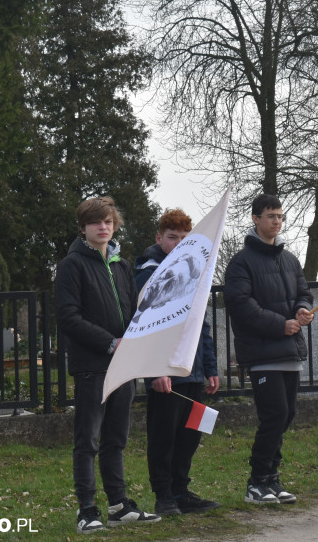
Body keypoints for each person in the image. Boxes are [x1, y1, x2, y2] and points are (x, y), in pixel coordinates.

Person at [54, 196, 160, 533]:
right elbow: (69, 317)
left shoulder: (122, 265)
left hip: (123, 366)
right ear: (83, 227)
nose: (103, 227)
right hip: (92, 366)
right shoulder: (72, 265)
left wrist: (135, 341)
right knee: (88, 441)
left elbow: (133, 313)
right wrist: (110, 342)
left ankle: (118, 506)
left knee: (116, 439)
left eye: (108, 222)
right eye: (96, 222)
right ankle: (87, 510)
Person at [225, 194, 313, 504]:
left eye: (280, 216)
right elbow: (240, 305)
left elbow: (303, 293)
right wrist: (280, 324)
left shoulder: (290, 260)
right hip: (262, 354)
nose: (276, 221)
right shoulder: (241, 262)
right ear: (255, 219)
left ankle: (272, 480)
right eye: (270, 215)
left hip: (290, 353)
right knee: (275, 415)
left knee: (286, 416)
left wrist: (302, 309)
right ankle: (256, 482)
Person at [135, 209, 220, 515]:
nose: (179, 243)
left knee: (190, 434)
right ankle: (163, 495)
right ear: (159, 238)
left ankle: (181, 490)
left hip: (194, 370)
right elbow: (148, 324)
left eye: (185, 238)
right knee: (164, 436)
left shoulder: (195, 269)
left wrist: (210, 368)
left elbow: (202, 324)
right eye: (173, 238)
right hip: (166, 372)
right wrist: (155, 370)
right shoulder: (149, 272)